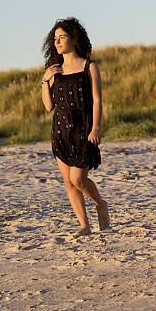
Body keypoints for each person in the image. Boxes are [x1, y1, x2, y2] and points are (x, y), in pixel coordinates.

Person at [41, 17, 110, 237]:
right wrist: (45, 80)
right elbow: (48, 106)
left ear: (74, 39)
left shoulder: (89, 67)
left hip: (83, 130)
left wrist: (96, 128)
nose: (58, 42)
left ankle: (100, 204)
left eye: (62, 38)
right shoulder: (54, 71)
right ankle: (84, 225)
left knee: (78, 179)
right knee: (68, 182)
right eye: (55, 39)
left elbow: (98, 100)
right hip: (60, 132)